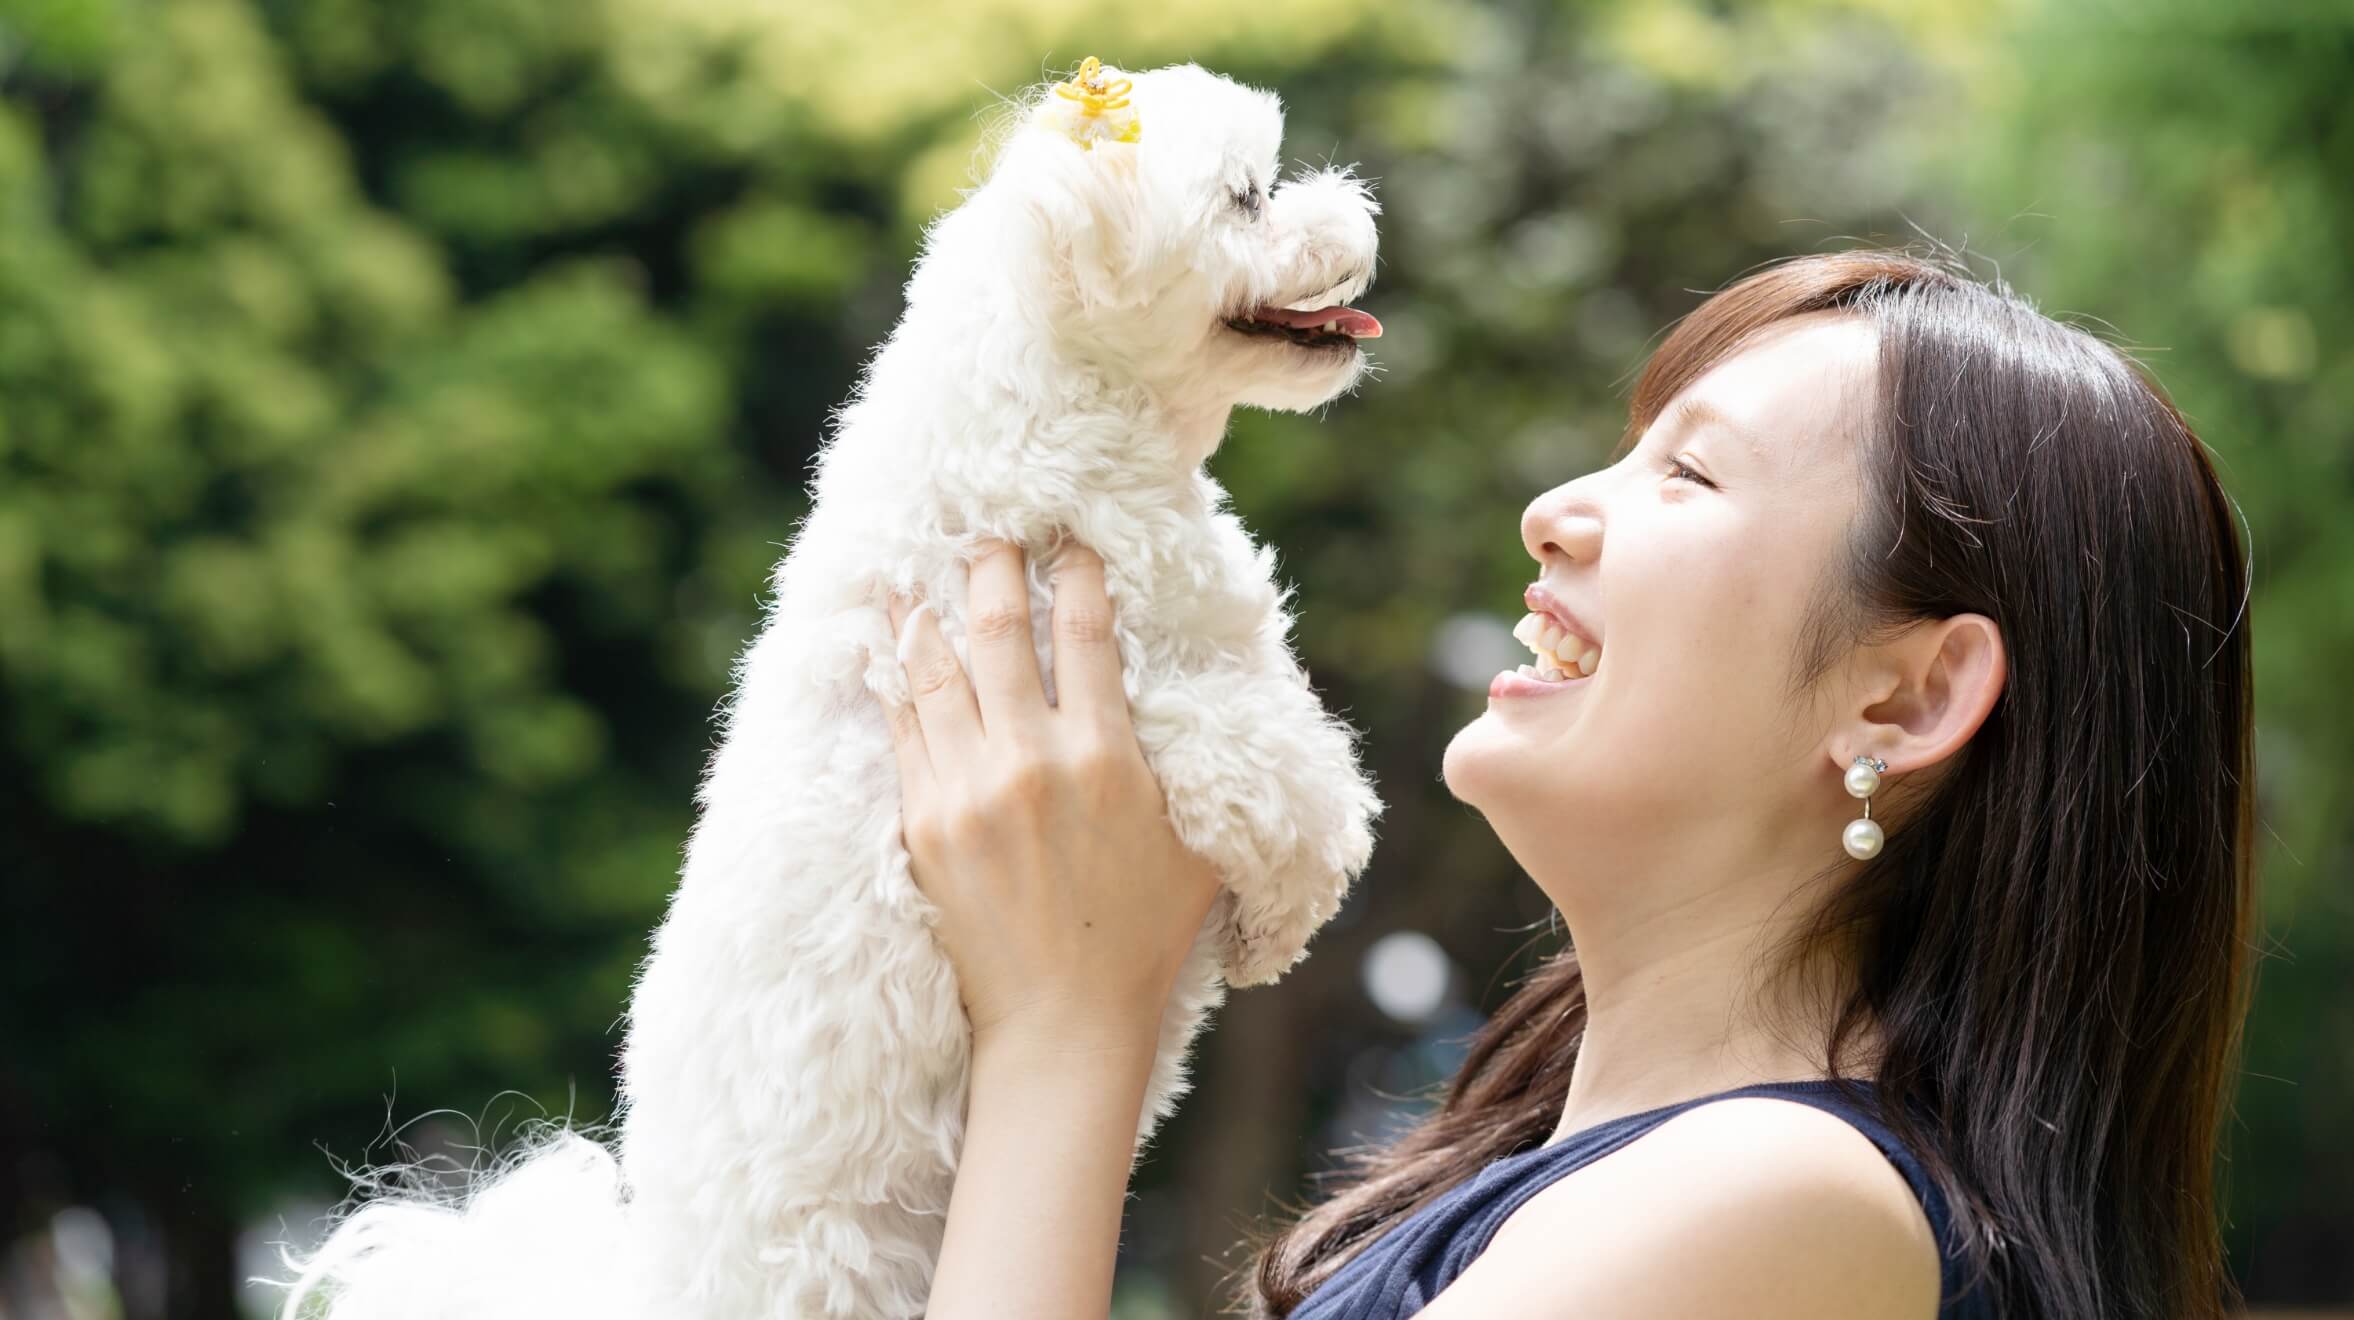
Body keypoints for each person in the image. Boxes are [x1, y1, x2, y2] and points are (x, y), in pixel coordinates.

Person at [877, 250, 2255, 1319]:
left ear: (1902, 698)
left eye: (1689, 472)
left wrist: (1067, 1025)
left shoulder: (1776, 1201)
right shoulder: (1622, 1173)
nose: (1553, 512)